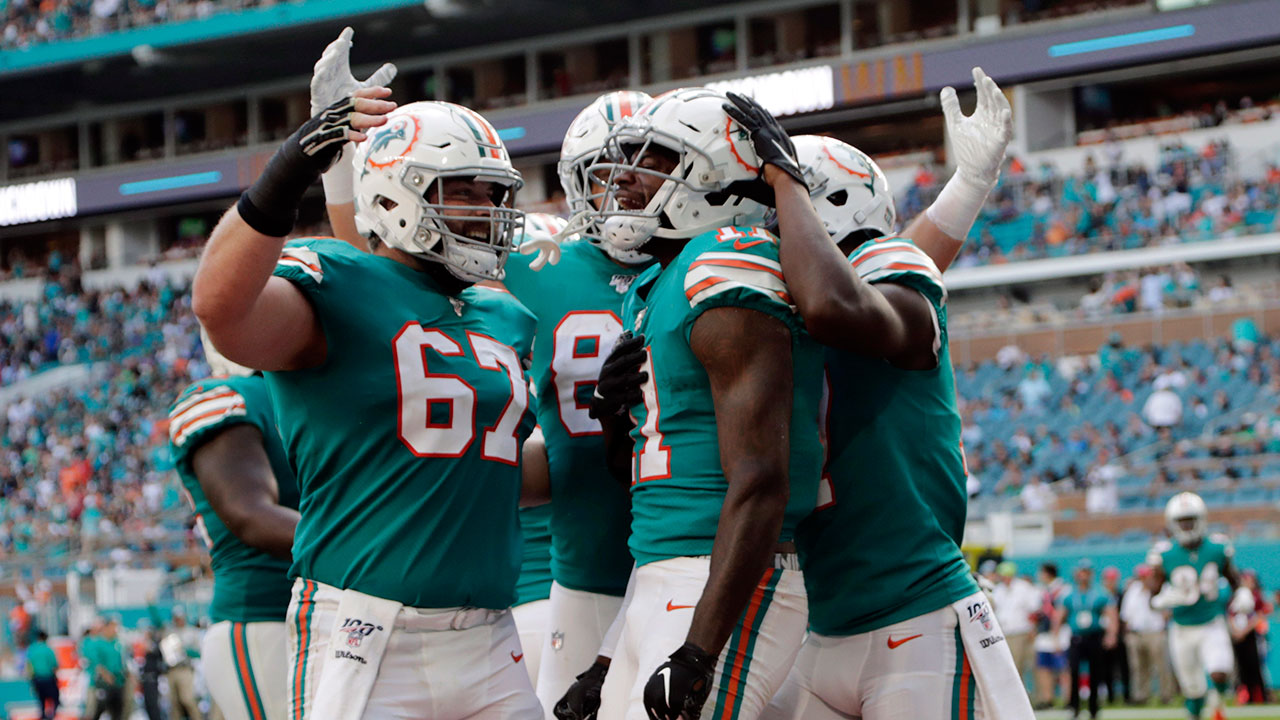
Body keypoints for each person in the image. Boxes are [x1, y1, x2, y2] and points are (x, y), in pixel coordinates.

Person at [191, 64, 542, 719]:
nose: (488, 212)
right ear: (396, 198)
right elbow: (221, 307)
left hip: (492, 635)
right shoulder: (339, 281)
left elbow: (498, 471)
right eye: (464, 191)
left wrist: (616, 425)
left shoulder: (503, 316)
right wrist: (295, 166)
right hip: (366, 631)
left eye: (494, 195)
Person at [720, 77, 1029, 719]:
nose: (751, 236)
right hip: (824, 626)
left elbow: (855, 295)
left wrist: (968, 189)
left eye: (767, 216)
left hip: (918, 615)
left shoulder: (884, 281)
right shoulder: (779, 315)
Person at [587, 86, 825, 720]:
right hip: (660, 568)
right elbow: (650, 478)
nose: (627, 179)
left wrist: (699, 651)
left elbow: (760, 477)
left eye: (655, 160)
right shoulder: (659, 281)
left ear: (713, 175)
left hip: (723, 573)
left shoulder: (727, 261)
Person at [500, 91, 655, 716]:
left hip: (695, 549)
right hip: (586, 566)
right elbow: (397, 279)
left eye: (645, 171)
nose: (625, 192)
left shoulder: (712, 258)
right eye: (605, 176)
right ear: (575, 184)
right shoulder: (538, 262)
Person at [168, 332, 301, 720]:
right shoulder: (227, 397)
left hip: (335, 614)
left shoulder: (311, 397)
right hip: (265, 618)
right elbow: (251, 515)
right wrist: (368, 550)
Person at [1147, 492, 1237, 720]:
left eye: (1190, 520)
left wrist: (1241, 594)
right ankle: (1195, 714)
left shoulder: (1218, 547)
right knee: (1193, 688)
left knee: (1219, 671)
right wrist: (1163, 599)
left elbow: (1234, 579)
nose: (1186, 525)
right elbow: (1152, 594)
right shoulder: (1164, 554)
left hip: (1211, 623)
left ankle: (1218, 699)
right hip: (1181, 627)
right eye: (1181, 521)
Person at [1054, 560, 1118, 720]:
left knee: (1096, 672)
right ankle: (1074, 706)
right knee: (1074, 670)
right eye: (1081, 572)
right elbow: (1059, 616)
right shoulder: (1069, 594)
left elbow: (1111, 614)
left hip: (1094, 636)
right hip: (1076, 637)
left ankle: (1093, 707)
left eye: (1086, 572)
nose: (1083, 575)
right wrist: (1055, 637)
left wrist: (1112, 634)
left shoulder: (1100, 593)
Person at [1120, 565, 1173, 705]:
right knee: (1138, 667)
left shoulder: (1161, 588)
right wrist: (1127, 633)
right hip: (1136, 633)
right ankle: (1141, 695)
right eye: (1142, 576)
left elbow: (1168, 611)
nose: (1144, 579)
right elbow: (1125, 614)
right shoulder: (1133, 590)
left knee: (1161, 666)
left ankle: (1166, 695)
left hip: (1155, 632)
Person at [992, 562, 1042, 693]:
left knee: (1025, 665)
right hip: (1004, 633)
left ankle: (1033, 697)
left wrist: (1033, 628)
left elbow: (1034, 610)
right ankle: (1016, 695)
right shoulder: (998, 590)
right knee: (1012, 668)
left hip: (1021, 631)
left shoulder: (1023, 588)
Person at [1033, 563, 1070, 710]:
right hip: (1044, 631)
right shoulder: (1041, 590)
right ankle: (1047, 698)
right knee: (1043, 666)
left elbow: (1062, 611)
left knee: (1063, 667)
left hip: (1060, 632)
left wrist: (1056, 631)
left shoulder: (1063, 589)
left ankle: (1068, 698)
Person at [159, 608, 204, 720]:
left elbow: (199, 652)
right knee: (173, 702)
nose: (178, 620)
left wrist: (185, 650)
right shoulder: (170, 632)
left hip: (185, 669)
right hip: (171, 670)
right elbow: (158, 622)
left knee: (187, 699)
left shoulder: (191, 632)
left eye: (180, 618)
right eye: (176, 618)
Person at [1100, 567, 1131, 704]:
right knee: (1106, 668)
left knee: (1124, 667)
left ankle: (1126, 695)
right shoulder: (1100, 596)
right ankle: (1110, 696)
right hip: (1103, 634)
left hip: (1119, 635)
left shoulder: (1122, 595)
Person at [86, 619, 128, 720]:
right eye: (113, 627)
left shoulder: (117, 643)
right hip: (101, 684)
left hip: (117, 683)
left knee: (117, 712)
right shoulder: (96, 643)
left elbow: (122, 662)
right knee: (96, 711)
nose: (115, 630)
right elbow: (95, 662)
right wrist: (105, 675)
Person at [27, 630, 58, 720]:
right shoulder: (48, 650)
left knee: (41, 700)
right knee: (54, 699)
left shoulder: (32, 649)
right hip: (48, 678)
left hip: (37, 678)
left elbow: (29, 665)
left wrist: (31, 678)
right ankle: (51, 716)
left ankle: (43, 716)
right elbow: (54, 665)